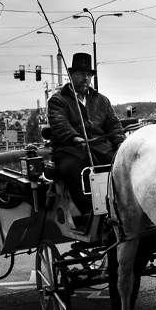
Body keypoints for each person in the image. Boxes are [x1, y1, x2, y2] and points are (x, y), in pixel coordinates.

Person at [47, 53, 125, 227]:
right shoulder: (58, 100)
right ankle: (88, 212)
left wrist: (120, 143)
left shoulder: (102, 100)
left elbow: (114, 125)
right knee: (69, 168)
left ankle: (119, 206)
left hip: (100, 147)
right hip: (70, 149)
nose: (86, 78)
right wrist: (75, 138)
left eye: (89, 75)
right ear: (71, 75)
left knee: (118, 164)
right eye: (81, 74)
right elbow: (60, 124)